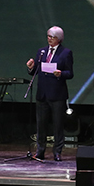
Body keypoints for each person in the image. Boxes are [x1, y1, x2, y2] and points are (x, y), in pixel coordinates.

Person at [26, 26, 74, 161]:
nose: (50, 39)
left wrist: (61, 73)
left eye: (52, 37)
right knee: (41, 125)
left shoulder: (66, 53)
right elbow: (36, 70)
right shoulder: (41, 52)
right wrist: (31, 67)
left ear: (59, 39)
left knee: (58, 125)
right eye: (48, 36)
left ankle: (57, 152)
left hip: (57, 94)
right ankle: (40, 151)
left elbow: (70, 73)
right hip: (42, 94)